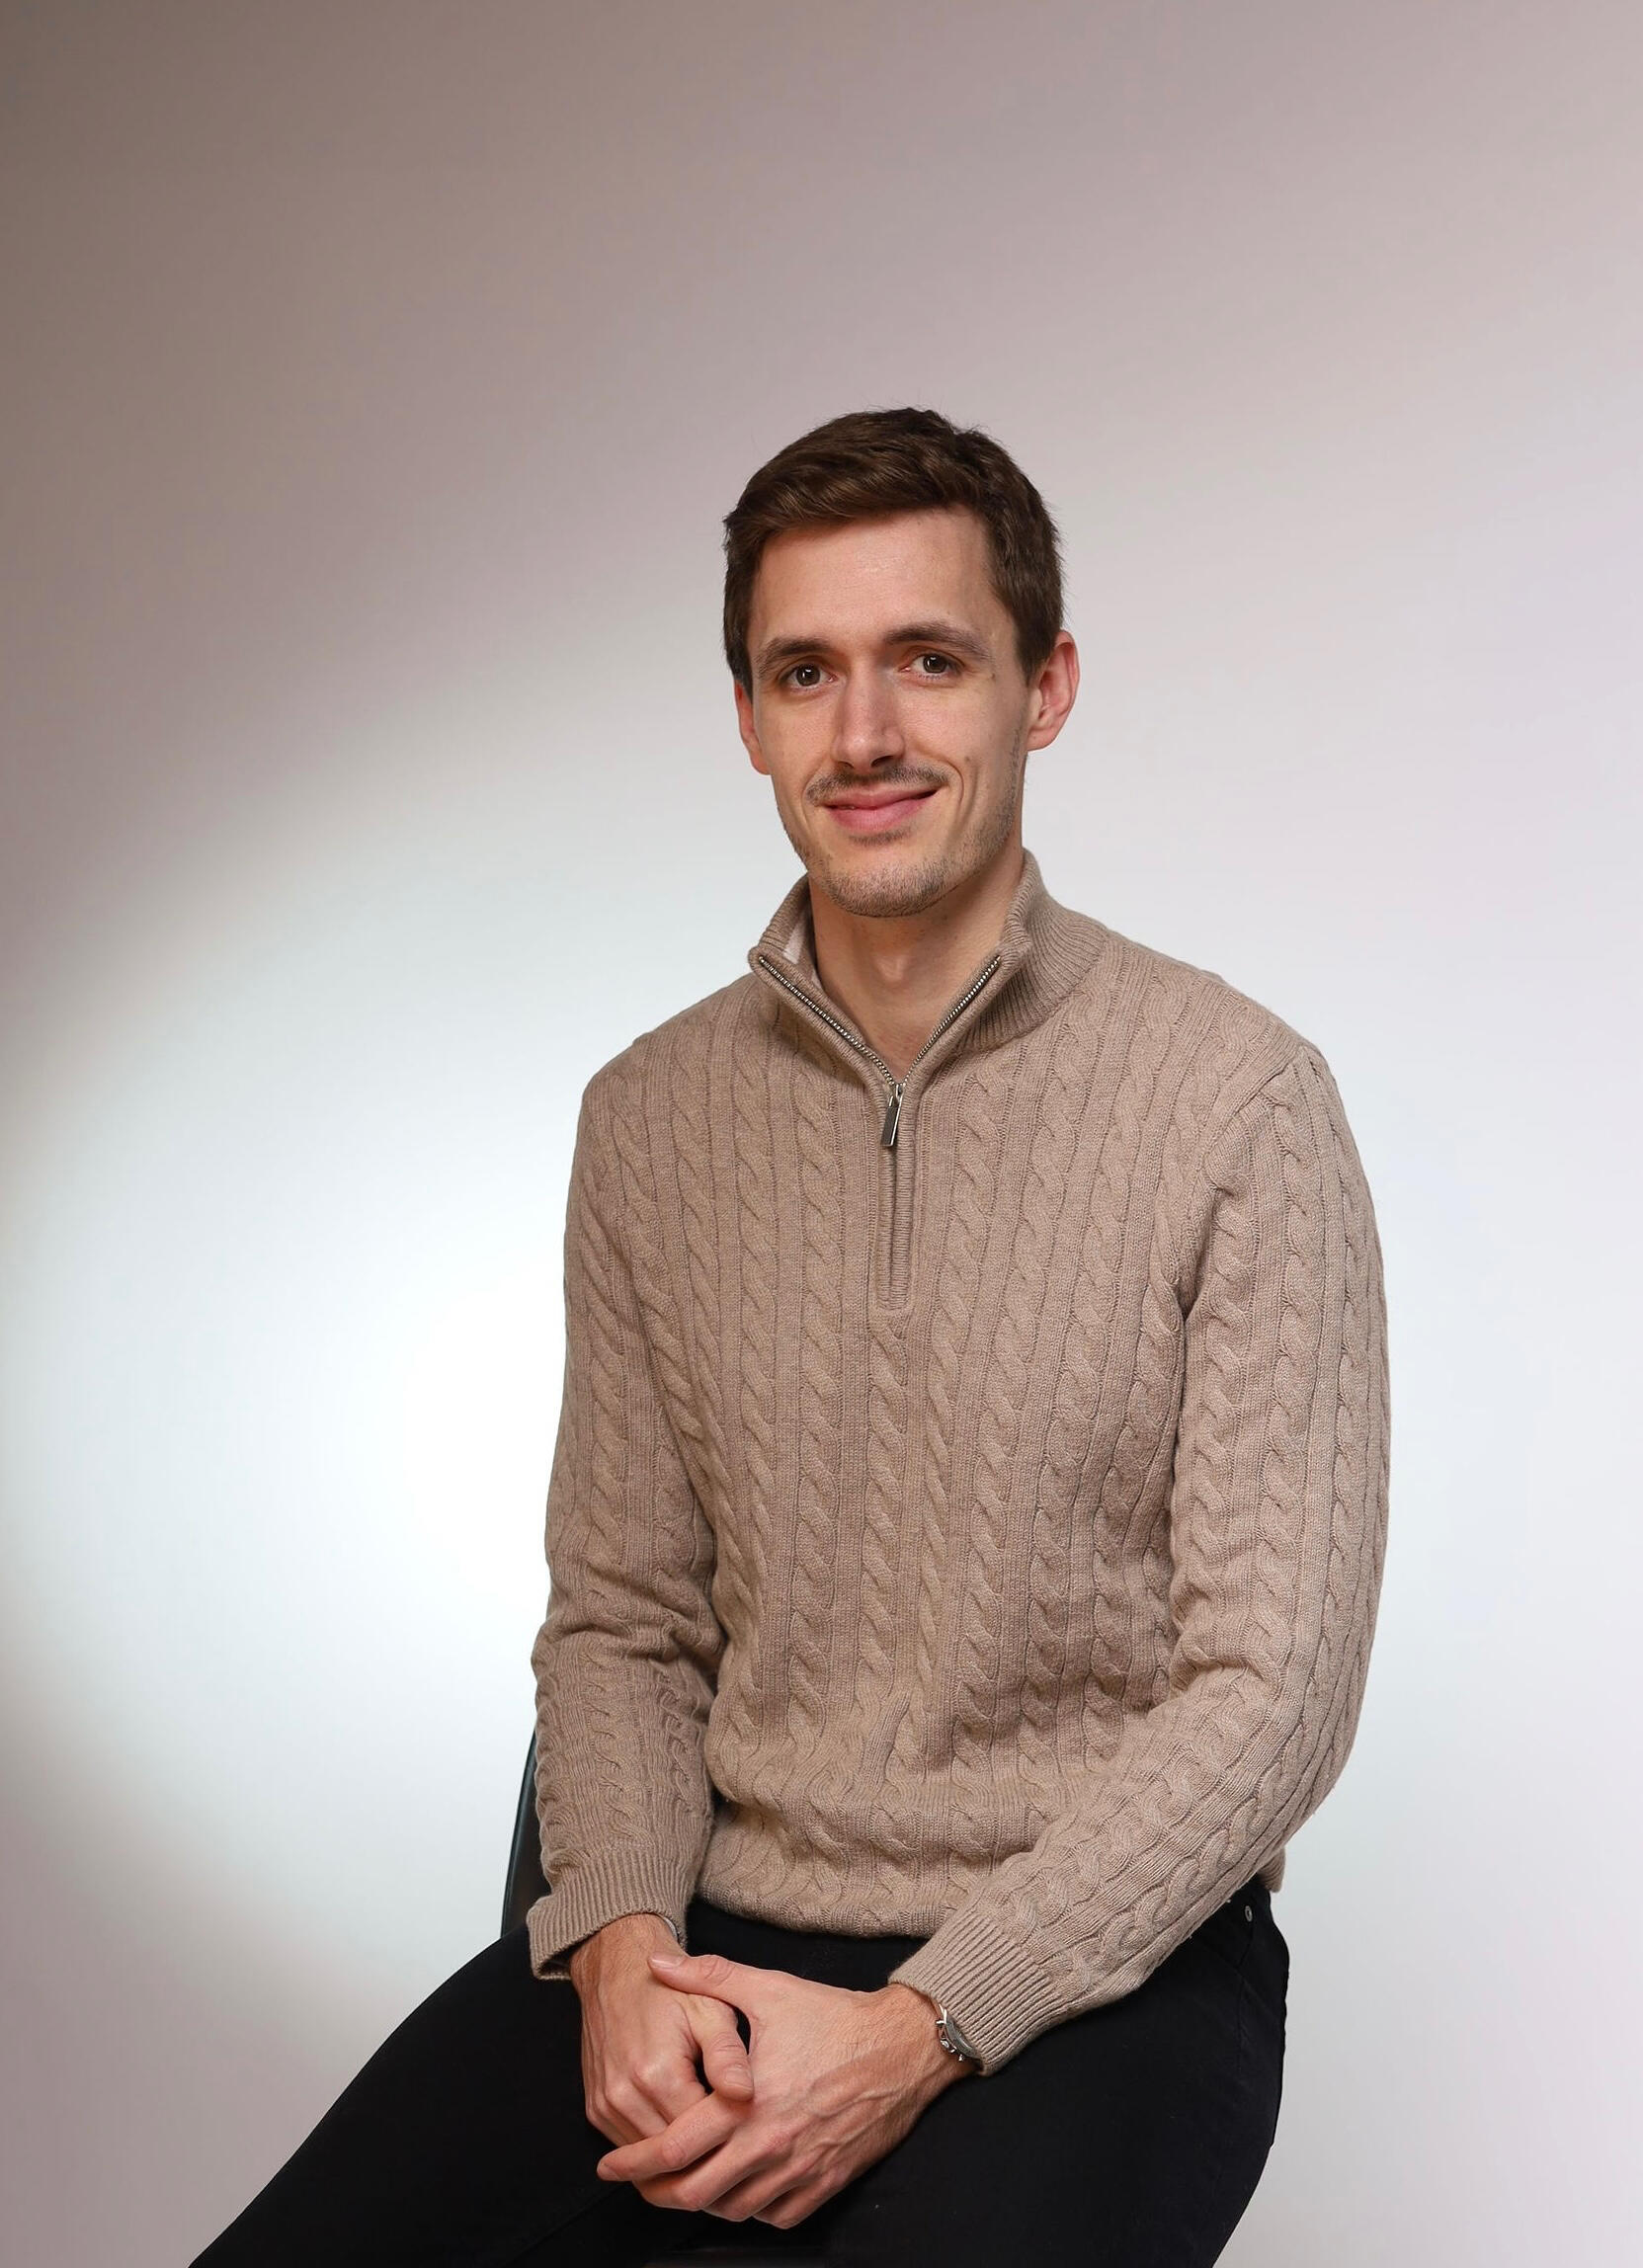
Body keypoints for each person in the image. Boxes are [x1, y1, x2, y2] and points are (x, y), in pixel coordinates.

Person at [196, 407, 1389, 2267]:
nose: (865, 732)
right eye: (805, 672)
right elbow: (624, 1617)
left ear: (1044, 687)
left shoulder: (1236, 1103)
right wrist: (615, 1951)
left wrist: (921, 2029)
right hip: (705, 1943)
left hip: (1104, 1978)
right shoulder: (650, 1118)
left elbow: (1272, 1690)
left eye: (930, 660)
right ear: (748, 718)